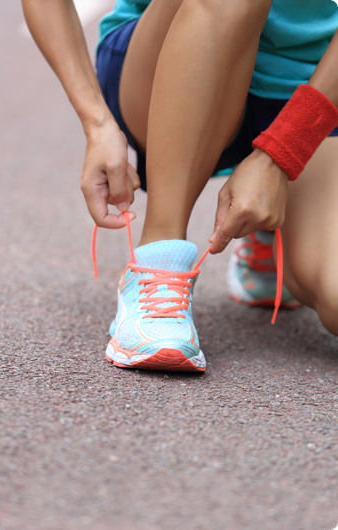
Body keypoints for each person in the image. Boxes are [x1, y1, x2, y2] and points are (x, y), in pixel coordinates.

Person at [22, 0, 338, 372]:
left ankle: (267, 232)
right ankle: (158, 259)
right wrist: (97, 124)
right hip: (171, 54)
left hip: (310, 95)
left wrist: (282, 155)